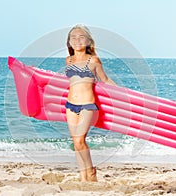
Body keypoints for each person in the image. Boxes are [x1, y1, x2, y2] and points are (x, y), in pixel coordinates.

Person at [65, 25, 116, 182]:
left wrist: (124, 95)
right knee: (76, 142)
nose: (77, 40)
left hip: (87, 105)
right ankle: (82, 175)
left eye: (81, 37)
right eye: (73, 37)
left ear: (88, 41)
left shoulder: (93, 60)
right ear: (69, 43)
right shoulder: (68, 60)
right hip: (70, 105)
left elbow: (105, 80)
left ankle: (91, 170)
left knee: (80, 140)